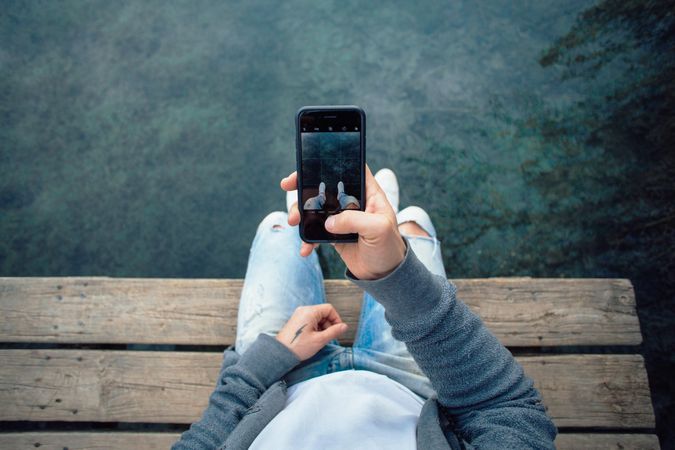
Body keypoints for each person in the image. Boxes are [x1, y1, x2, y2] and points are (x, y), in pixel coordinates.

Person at [172, 166, 557, 449]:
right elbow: (509, 413)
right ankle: (364, 221)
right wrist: (395, 274)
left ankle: (318, 219)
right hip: (411, 385)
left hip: (281, 380)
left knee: (277, 229)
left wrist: (268, 359)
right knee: (414, 224)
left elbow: (205, 441)